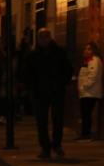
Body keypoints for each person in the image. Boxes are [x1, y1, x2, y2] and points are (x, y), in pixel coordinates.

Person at [21, 28, 73, 158]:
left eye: (46, 37)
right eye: (41, 37)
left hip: (56, 90)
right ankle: (45, 146)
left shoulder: (59, 53)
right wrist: (31, 86)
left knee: (57, 119)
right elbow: (26, 73)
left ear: (50, 37)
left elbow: (67, 69)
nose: (44, 40)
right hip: (40, 92)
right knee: (41, 121)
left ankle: (56, 144)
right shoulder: (33, 55)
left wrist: (62, 82)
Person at [76, 42, 103, 141]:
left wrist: (84, 86)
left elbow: (93, 76)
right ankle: (84, 133)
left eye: (89, 49)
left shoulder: (94, 61)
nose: (86, 51)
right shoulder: (88, 61)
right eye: (85, 49)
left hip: (90, 92)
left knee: (86, 114)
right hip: (86, 92)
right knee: (85, 114)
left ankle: (86, 134)